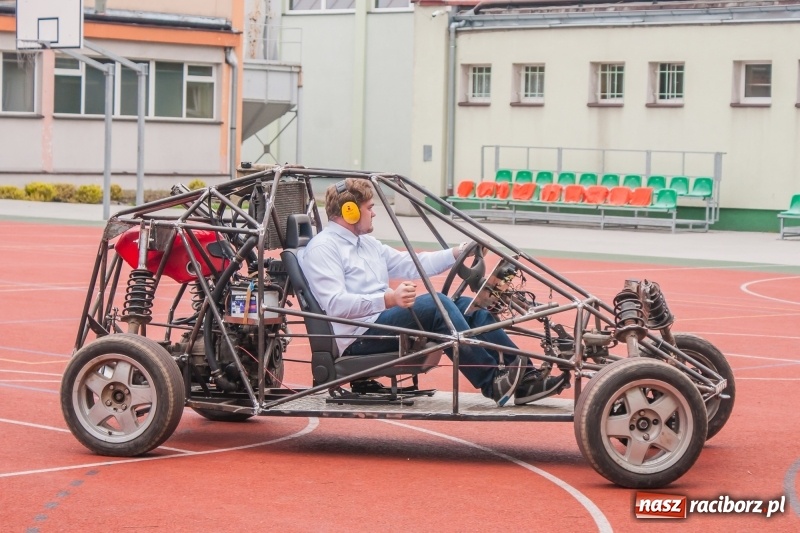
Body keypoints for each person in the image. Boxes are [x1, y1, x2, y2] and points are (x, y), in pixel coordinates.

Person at [298, 178, 565, 406]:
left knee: (469, 307)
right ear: (350, 211)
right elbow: (335, 305)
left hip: (379, 323)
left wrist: (457, 253)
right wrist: (388, 299)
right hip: (359, 336)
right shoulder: (324, 248)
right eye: (370, 208)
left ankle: (526, 378)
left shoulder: (366, 243)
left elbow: (413, 263)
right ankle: (491, 381)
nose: (374, 213)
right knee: (438, 305)